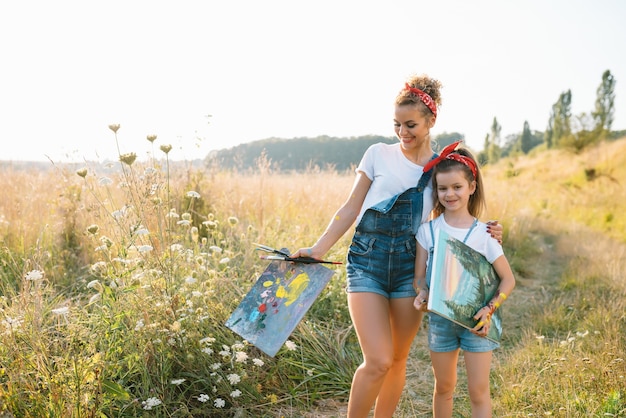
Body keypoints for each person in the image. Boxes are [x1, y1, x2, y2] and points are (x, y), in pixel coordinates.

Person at [290, 74, 502, 418]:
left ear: (431, 121)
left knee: (398, 360)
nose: (403, 132)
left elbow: (452, 216)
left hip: (409, 268)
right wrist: (318, 249)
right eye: (397, 124)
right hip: (366, 262)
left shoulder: (438, 170)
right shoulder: (377, 154)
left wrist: (489, 232)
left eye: (411, 124)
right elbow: (350, 208)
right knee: (377, 360)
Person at [412, 142, 516, 417]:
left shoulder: (486, 234)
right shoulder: (427, 232)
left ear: (471, 187)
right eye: (442, 188)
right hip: (440, 323)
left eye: (457, 187)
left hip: (478, 323)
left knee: (478, 391)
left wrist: (491, 308)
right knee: (443, 388)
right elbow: (419, 279)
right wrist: (422, 295)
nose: (449, 194)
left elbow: (508, 280)